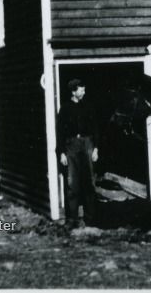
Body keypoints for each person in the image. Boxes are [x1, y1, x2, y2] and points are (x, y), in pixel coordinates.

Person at [56, 78, 99, 228]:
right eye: (81, 89)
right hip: (71, 146)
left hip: (87, 144)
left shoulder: (88, 107)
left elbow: (95, 129)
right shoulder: (65, 109)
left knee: (89, 183)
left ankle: (90, 218)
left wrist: (96, 148)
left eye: (84, 89)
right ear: (74, 91)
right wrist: (61, 152)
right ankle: (72, 219)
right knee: (72, 183)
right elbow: (60, 132)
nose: (84, 91)